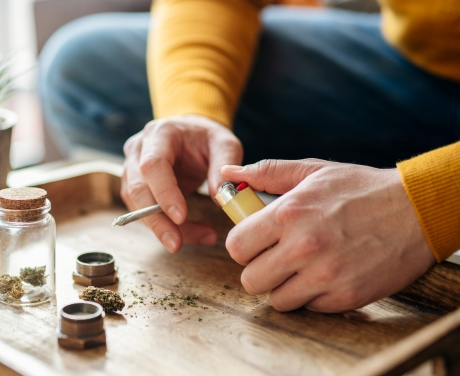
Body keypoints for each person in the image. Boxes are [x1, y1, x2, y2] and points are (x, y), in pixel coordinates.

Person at [38, 0, 460, 313]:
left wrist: (423, 200)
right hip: (430, 69)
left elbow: (427, 201)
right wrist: (193, 112)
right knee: (80, 68)